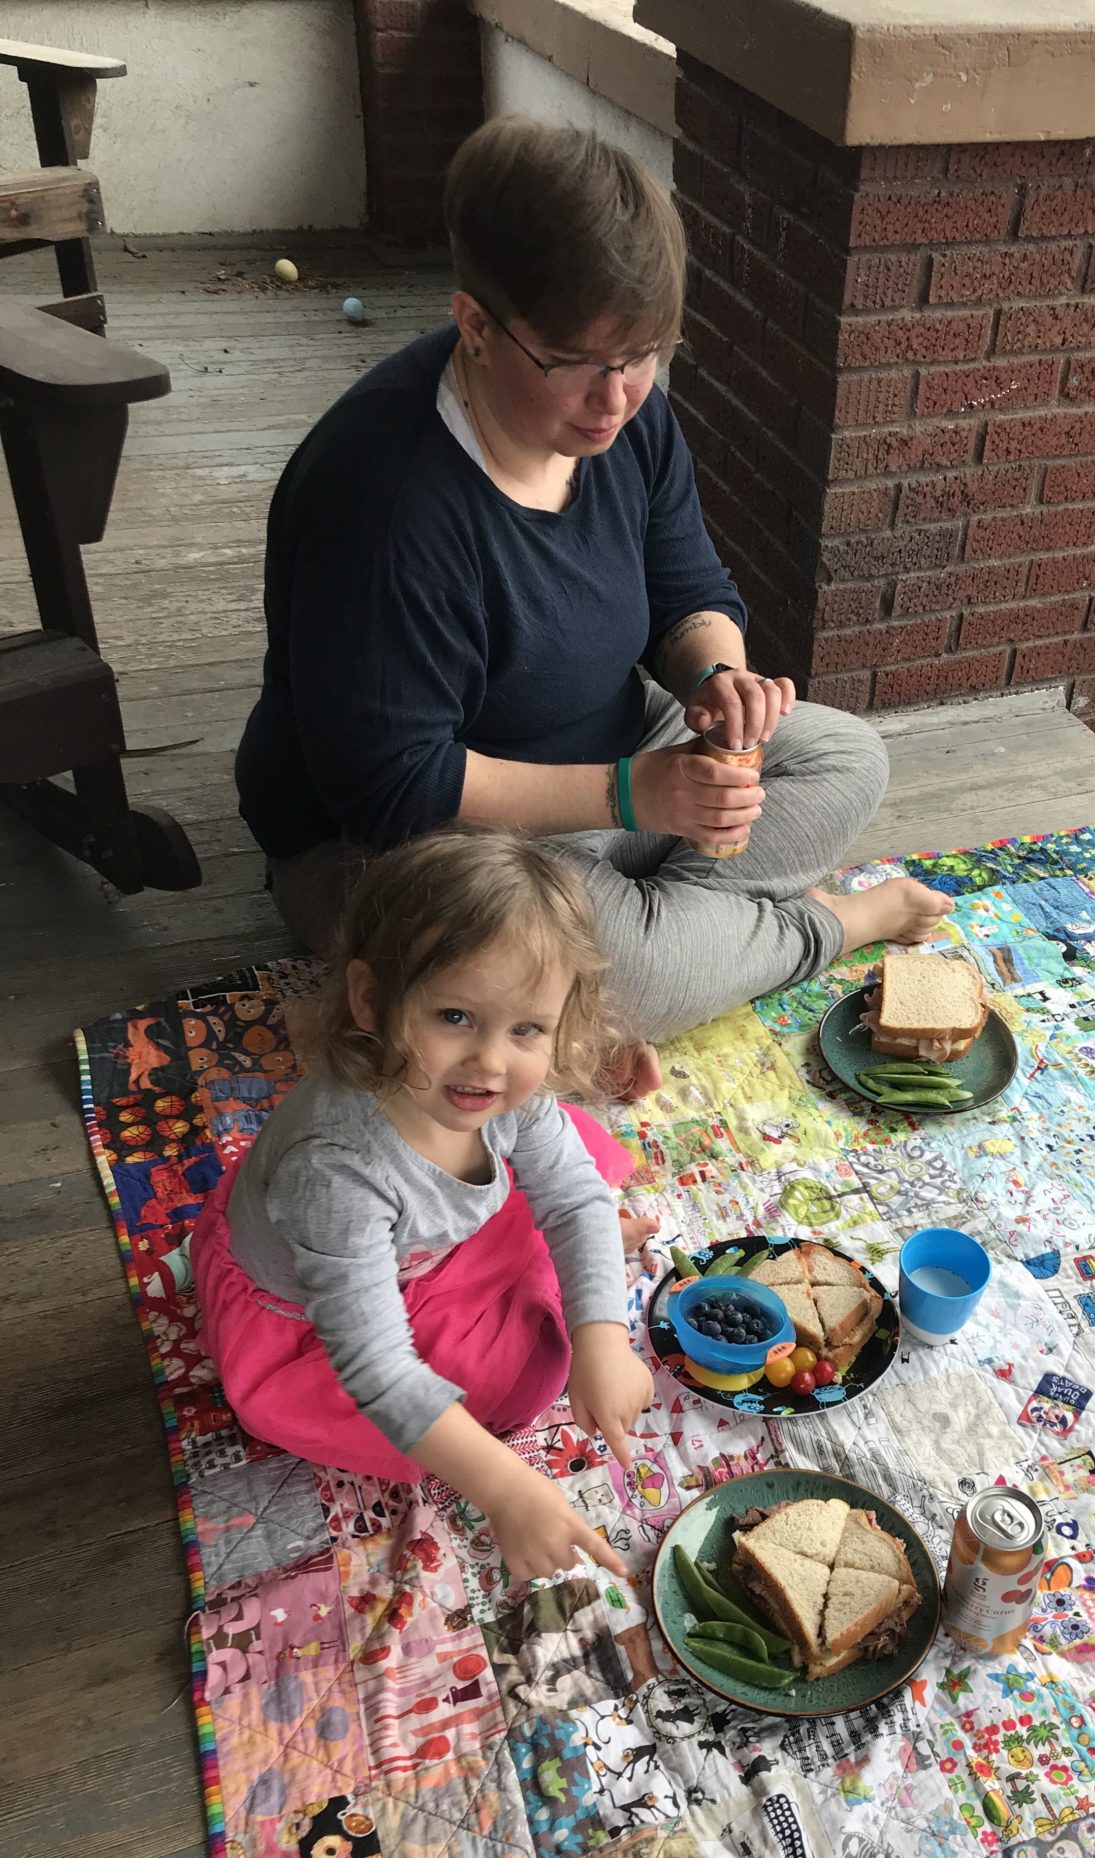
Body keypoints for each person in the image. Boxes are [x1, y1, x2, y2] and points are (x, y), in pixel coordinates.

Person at [235, 115, 946, 1089]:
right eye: (576, 360)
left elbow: (688, 585)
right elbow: (392, 785)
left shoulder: (629, 404)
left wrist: (720, 678)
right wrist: (632, 794)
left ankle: (635, 940)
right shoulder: (382, 498)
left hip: (618, 752)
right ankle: (820, 923)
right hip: (410, 838)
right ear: (476, 324)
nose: (617, 397)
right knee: (640, 968)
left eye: (646, 353)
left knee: (845, 757)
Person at [190, 823, 655, 1583]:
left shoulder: (492, 1091)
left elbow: (570, 1195)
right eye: (454, 1017)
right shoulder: (335, 1173)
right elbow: (376, 1368)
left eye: (527, 1029)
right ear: (371, 999)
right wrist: (505, 1489)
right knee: (516, 1379)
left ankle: (559, 1264)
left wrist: (603, 1335)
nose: (490, 1061)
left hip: (418, 1241)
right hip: (315, 1322)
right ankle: (547, 1266)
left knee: (578, 1156)